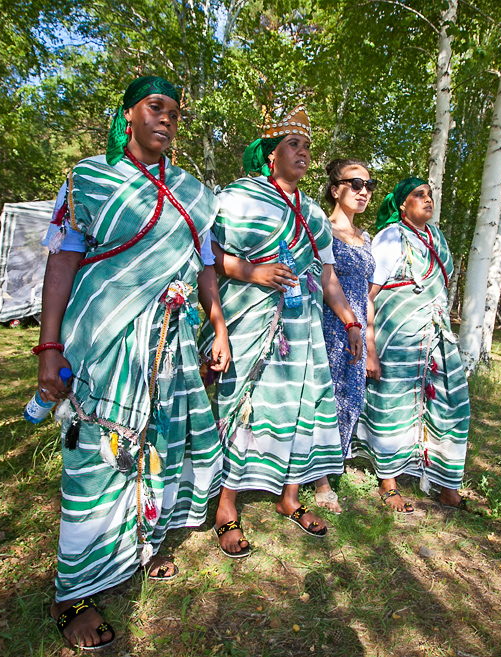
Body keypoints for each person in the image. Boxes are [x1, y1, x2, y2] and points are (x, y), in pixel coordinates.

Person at [34, 76, 231, 651]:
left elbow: (204, 268)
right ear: (128, 114)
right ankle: (74, 593)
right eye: (155, 107)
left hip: (168, 345)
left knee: (156, 447)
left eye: (174, 112)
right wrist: (49, 348)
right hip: (103, 337)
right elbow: (62, 262)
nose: (167, 119)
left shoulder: (195, 192)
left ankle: (139, 551)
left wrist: (218, 327)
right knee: (99, 454)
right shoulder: (89, 179)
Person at [199, 105, 363, 556]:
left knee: (297, 404)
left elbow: (328, 276)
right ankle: (226, 508)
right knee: (242, 404)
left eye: (308, 146)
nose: (304, 153)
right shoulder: (238, 197)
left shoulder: (312, 212)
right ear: (271, 154)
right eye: (294, 144)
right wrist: (252, 272)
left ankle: (289, 499)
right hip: (251, 319)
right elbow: (207, 253)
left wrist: (350, 320)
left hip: (303, 326)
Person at [356, 178, 472, 514]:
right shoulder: (392, 236)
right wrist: (371, 345)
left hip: (437, 336)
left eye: (429, 194)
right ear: (401, 205)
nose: (427, 199)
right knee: (394, 406)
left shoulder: (437, 238)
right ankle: (388, 482)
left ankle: (447, 484)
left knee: (452, 403)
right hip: (399, 336)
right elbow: (369, 294)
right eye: (417, 195)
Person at [311, 158, 377, 515]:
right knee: (326, 396)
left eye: (369, 185)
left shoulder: (364, 238)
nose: (363, 191)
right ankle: (320, 478)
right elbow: (325, 280)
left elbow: (367, 294)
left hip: (357, 328)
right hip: (330, 323)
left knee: (351, 397)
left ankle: (331, 461)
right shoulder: (323, 229)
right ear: (335, 190)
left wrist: (369, 343)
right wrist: (349, 323)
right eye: (355, 184)